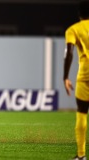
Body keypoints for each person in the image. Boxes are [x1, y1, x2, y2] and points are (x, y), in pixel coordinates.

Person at [63, 1, 89, 159]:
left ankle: (81, 155)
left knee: (81, 114)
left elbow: (69, 53)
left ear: (79, 13)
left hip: (85, 77)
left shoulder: (73, 30)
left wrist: (65, 77)